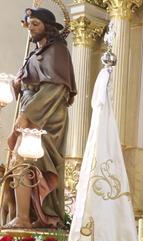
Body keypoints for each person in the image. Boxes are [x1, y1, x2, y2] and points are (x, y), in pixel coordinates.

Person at [4, 8, 76, 228]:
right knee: (18, 161)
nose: (31, 28)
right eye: (29, 24)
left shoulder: (58, 51)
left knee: (23, 158)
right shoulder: (34, 54)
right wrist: (14, 87)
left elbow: (55, 89)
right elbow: (27, 84)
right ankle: (32, 215)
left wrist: (27, 115)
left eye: (35, 23)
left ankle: (26, 217)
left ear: (48, 26)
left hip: (46, 116)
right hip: (32, 108)